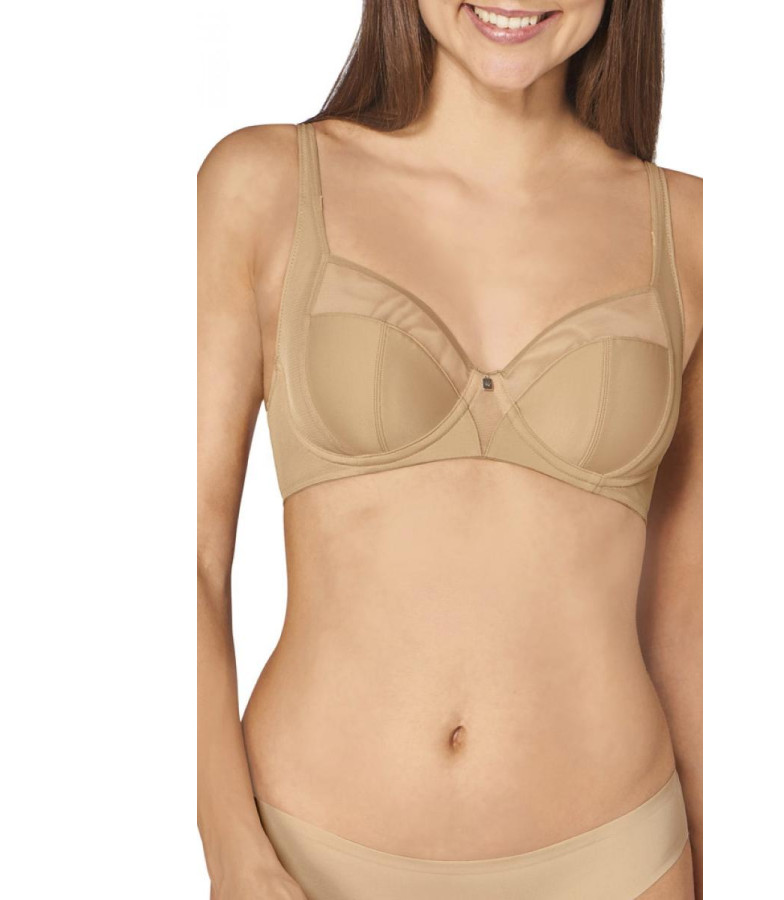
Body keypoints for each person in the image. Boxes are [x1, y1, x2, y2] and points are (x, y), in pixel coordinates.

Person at [198, 1, 702, 898]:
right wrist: (233, 850)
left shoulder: (695, 233)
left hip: (619, 861)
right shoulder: (261, 187)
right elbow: (185, 560)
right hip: (304, 862)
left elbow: (689, 622)